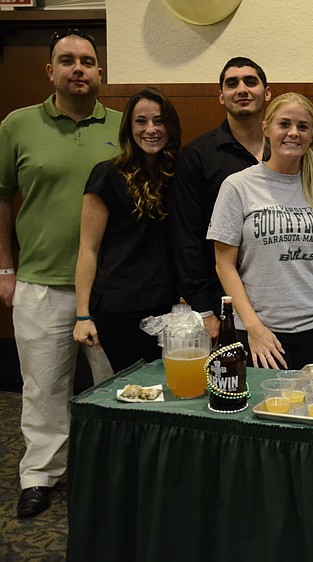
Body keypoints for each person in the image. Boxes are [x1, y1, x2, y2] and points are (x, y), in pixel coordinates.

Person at [0, 29, 121, 518]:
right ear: (50, 71)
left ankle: (115, 472)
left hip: (112, 288)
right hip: (41, 282)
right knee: (44, 388)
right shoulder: (17, 125)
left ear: (99, 71)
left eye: (87, 61)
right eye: (67, 61)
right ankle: (40, 476)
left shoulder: (123, 125)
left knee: (115, 387)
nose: (78, 69)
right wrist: (5, 266)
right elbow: (2, 197)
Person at [208, 92, 313, 370]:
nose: (293, 133)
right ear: (266, 128)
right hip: (260, 335)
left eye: (303, 127)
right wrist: (254, 328)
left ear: (312, 135)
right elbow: (223, 264)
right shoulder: (237, 186)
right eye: (284, 124)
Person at [73, 88, 182, 372]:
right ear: (128, 128)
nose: (151, 129)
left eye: (159, 121)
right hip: (119, 307)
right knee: (132, 393)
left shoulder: (179, 175)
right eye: (141, 121)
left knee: (169, 391)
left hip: (168, 306)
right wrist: (82, 314)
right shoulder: (107, 174)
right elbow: (88, 248)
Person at [169, 57, 271, 340]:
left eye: (251, 81)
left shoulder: (286, 151)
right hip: (220, 304)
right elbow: (186, 237)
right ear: (221, 96)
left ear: (267, 92)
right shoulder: (197, 156)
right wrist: (203, 310)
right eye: (232, 83)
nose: (242, 89)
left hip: (275, 304)